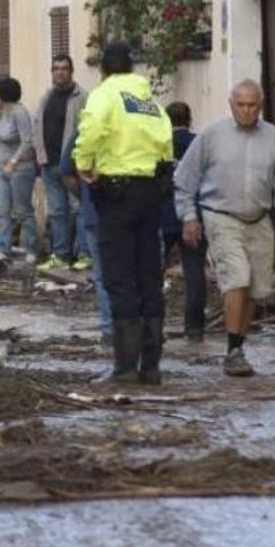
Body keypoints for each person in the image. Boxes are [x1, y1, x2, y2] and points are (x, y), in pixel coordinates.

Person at [174, 82, 275, 377]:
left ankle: (239, 343)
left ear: (261, 106)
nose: (246, 110)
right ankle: (232, 349)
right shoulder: (212, 136)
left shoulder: (272, 137)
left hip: (258, 217)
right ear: (231, 105)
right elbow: (185, 178)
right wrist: (189, 216)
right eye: (241, 105)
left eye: (252, 105)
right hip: (220, 215)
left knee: (256, 287)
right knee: (236, 277)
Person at [73, 43, 174, 384]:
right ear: (131, 67)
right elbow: (166, 143)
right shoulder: (147, 100)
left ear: (103, 70)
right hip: (150, 192)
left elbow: (91, 131)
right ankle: (152, 366)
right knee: (148, 275)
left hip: (116, 192)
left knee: (119, 277)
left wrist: (83, 163)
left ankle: (126, 367)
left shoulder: (104, 95)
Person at [32, 54, 90, 270]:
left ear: (71, 72)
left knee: (79, 209)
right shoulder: (46, 97)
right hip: (49, 164)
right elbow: (37, 125)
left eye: (64, 68)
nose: (60, 72)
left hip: (72, 167)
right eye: (55, 69)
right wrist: (39, 156)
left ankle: (85, 254)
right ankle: (61, 255)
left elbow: (87, 130)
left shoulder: (82, 97)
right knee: (57, 212)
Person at [159, 102, 209, 344]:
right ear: (189, 119)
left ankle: (153, 324)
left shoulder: (160, 144)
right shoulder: (199, 144)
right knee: (195, 273)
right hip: (194, 217)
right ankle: (195, 328)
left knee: (152, 273)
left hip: (164, 215)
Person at [62, 126, 112, 342]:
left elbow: (67, 173)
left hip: (95, 213)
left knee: (103, 275)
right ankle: (134, 328)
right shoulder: (136, 124)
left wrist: (85, 196)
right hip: (131, 212)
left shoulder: (84, 130)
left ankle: (110, 329)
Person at [0, 77, 39, 264]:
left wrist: (13, 161)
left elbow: (28, 141)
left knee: (22, 210)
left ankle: (31, 248)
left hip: (20, 168)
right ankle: (3, 248)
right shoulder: (3, 113)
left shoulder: (20, 113)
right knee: (1, 210)